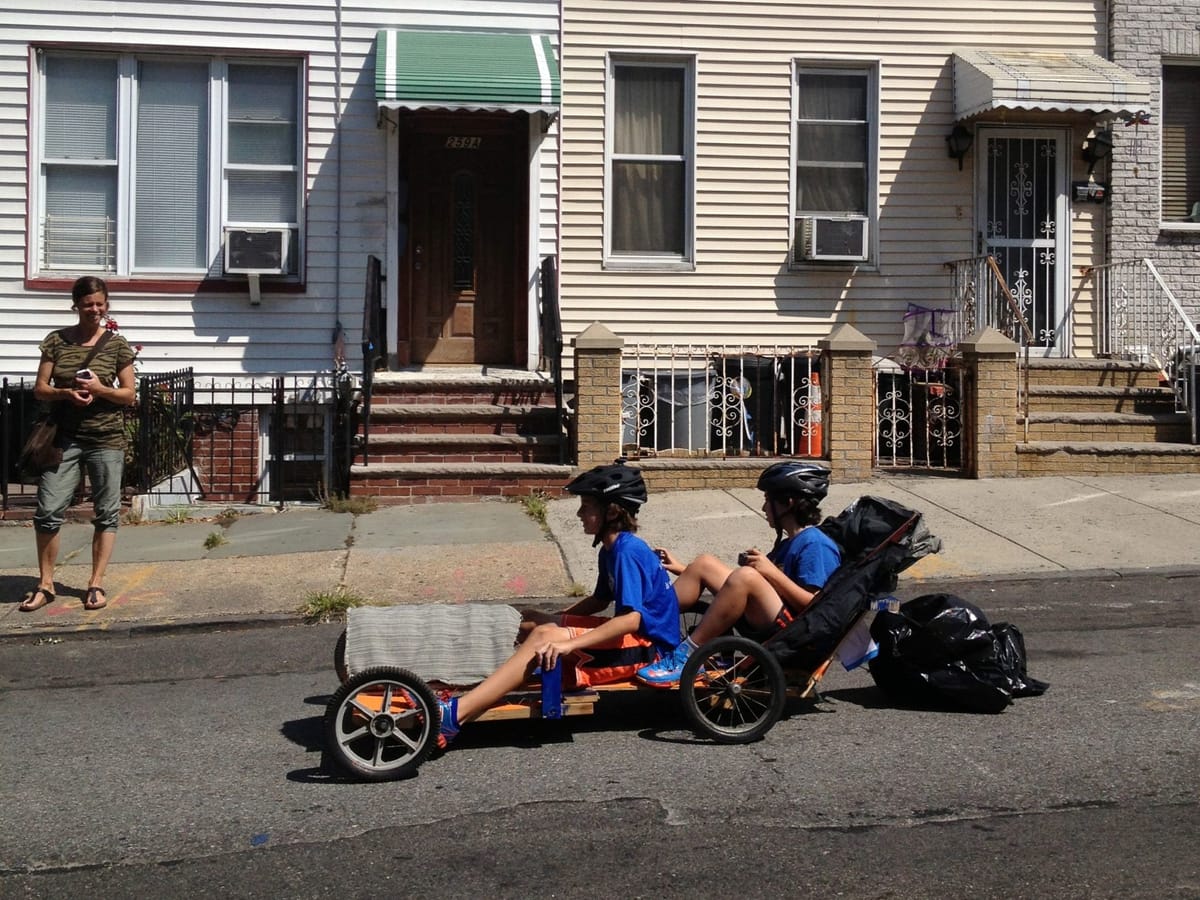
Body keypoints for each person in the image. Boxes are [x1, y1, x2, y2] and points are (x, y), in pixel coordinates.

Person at [436, 462, 680, 748]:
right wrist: (556, 617)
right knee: (531, 620)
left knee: (544, 636)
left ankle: (454, 715)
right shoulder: (611, 549)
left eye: (586, 507)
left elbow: (631, 620)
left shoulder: (627, 551)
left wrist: (568, 643)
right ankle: (478, 683)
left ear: (612, 512)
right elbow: (600, 600)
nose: (579, 514)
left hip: (651, 651)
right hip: (635, 638)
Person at [635, 461, 841, 686]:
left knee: (745, 577)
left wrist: (771, 572)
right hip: (771, 617)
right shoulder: (790, 543)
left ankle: (686, 656)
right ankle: (640, 629)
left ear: (788, 503)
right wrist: (684, 569)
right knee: (705, 563)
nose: (763, 508)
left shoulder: (815, 544)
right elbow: (737, 586)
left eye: (767, 500)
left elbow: (816, 608)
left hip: (793, 635)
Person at [18, 276, 137, 613]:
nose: (94, 310)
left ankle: (95, 583)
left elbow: (129, 394)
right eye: (87, 305)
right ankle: (45, 584)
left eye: (99, 304)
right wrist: (66, 393)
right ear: (76, 306)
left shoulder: (117, 345)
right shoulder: (56, 341)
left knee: (107, 513)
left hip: (106, 439)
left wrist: (100, 390)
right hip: (64, 439)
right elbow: (40, 388)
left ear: (106, 305)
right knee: (48, 511)